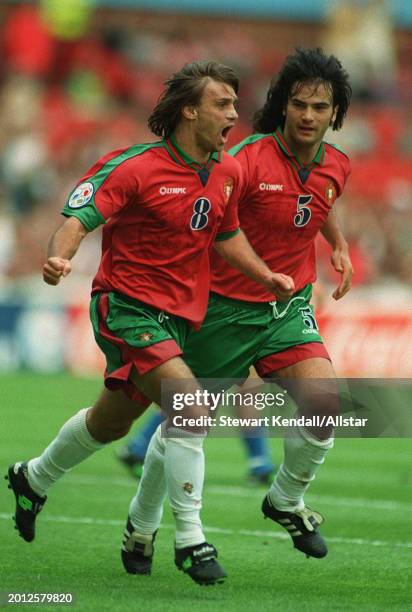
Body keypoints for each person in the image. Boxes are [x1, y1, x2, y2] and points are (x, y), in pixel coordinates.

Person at [5, 60, 294, 586]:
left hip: (182, 318)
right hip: (126, 308)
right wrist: (58, 258)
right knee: (190, 404)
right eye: (222, 104)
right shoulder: (136, 166)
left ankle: (33, 477)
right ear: (189, 110)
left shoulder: (225, 172)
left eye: (234, 103)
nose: (234, 113)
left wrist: (265, 275)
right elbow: (78, 219)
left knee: (110, 422)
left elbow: (226, 237)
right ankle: (191, 540)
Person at [124, 47, 353, 572]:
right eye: (300, 105)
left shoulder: (337, 164)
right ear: (283, 104)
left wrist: (336, 243)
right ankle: (141, 524)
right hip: (225, 310)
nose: (309, 116)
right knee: (184, 422)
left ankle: (286, 500)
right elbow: (207, 219)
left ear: (336, 112)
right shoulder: (245, 160)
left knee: (325, 401)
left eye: (321, 108)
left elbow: (316, 203)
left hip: (287, 307)